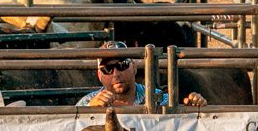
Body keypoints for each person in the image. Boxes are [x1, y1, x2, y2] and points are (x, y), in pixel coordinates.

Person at [77, 40, 207, 108]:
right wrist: (89, 111)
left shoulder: (159, 98)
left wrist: (193, 109)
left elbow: (182, 123)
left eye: (122, 65)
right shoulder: (88, 103)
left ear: (134, 67)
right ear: (99, 76)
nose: (116, 74)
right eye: (108, 69)